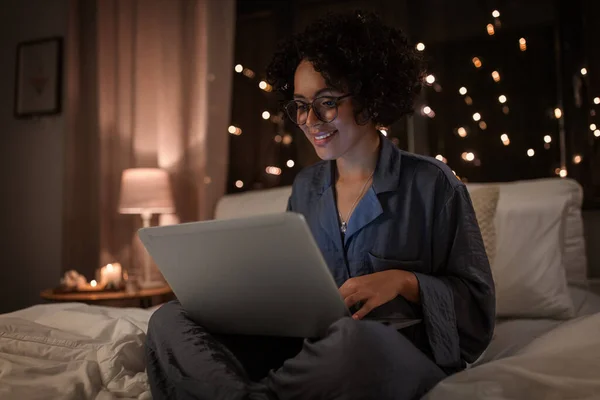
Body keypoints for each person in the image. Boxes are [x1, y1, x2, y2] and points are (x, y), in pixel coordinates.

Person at [145, 10, 495, 400]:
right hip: (305, 348)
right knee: (169, 319)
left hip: (382, 352)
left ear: (369, 96)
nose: (310, 120)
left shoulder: (433, 184)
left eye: (326, 102)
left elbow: (476, 311)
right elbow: (293, 286)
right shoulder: (306, 188)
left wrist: (405, 282)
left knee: (353, 339)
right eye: (299, 105)